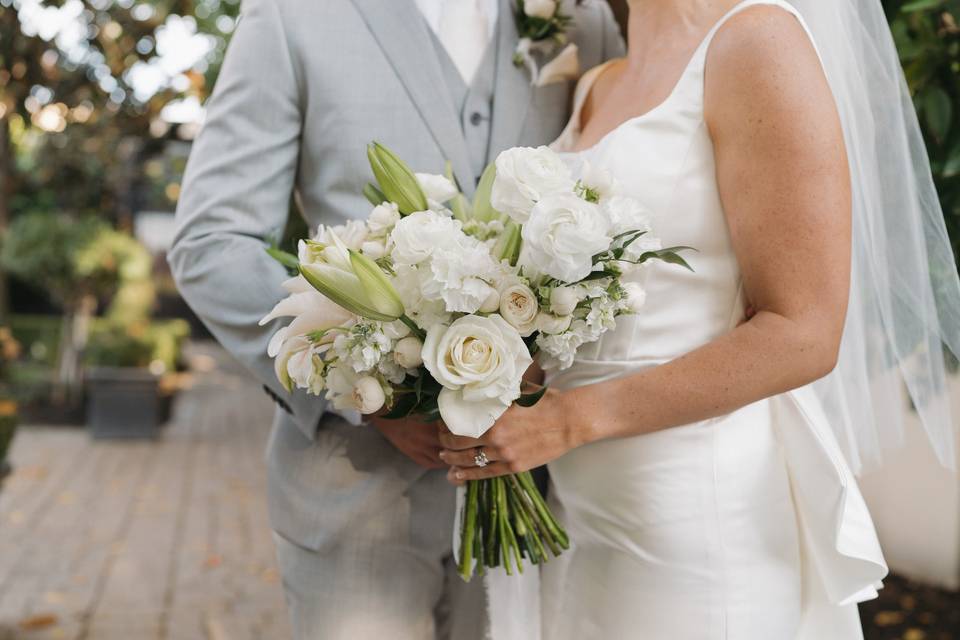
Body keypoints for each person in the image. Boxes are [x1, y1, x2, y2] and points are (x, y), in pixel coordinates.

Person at [437, 0, 960, 637]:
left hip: (696, 516)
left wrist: (572, 419)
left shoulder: (756, 42)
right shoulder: (601, 80)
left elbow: (804, 333)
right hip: (581, 516)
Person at [168, 0, 623, 637]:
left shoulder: (583, 19)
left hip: (539, 498)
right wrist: (364, 385)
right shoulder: (289, 15)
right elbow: (212, 242)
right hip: (356, 498)